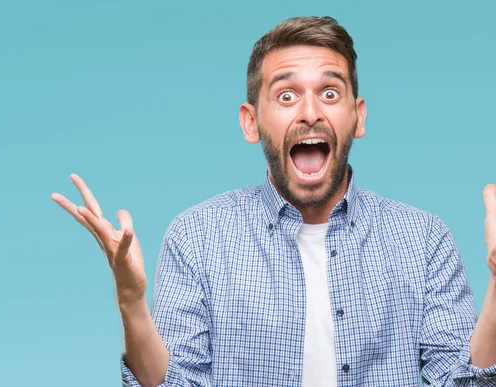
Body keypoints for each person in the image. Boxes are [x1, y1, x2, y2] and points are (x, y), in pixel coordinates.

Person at [51, 16, 496, 386]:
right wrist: (131, 300)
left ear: (357, 117)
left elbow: (462, 382)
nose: (309, 112)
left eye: (329, 93)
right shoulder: (198, 236)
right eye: (286, 95)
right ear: (251, 122)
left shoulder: (423, 239)